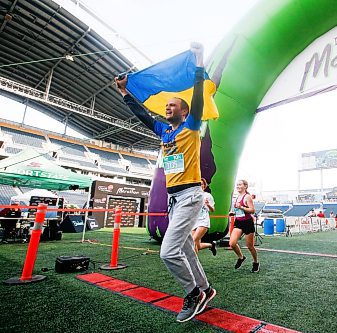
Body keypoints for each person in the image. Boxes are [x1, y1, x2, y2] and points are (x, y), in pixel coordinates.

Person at [115, 42, 215, 323]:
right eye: (167, 105)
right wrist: (125, 93)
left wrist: (199, 62)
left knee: (168, 251)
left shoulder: (192, 125)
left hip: (191, 195)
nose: (168, 107)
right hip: (174, 199)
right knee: (183, 249)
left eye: (173, 105)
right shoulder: (164, 131)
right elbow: (143, 116)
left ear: (184, 112)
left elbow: (197, 97)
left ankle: (192, 292)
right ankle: (206, 289)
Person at [229, 179, 260, 272]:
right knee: (232, 243)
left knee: (250, 246)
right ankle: (241, 257)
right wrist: (233, 213)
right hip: (238, 222)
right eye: (237, 185)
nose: (238, 186)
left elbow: (252, 210)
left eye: (240, 185)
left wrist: (241, 207)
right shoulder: (237, 197)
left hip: (247, 223)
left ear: (245, 186)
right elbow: (238, 211)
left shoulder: (247, 197)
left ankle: (255, 262)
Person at [192, 178, 216, 255]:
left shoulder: (207, 195)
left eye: (201, 184)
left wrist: (208, 204)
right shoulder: (193, 196)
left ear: (204, 186)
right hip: (194, 221)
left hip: (203, 221)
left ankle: (193, 264)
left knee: (193, 241)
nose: (200, 186)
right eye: (198, 184)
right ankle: (211, 245)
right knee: (197, 246)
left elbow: (213, 210)